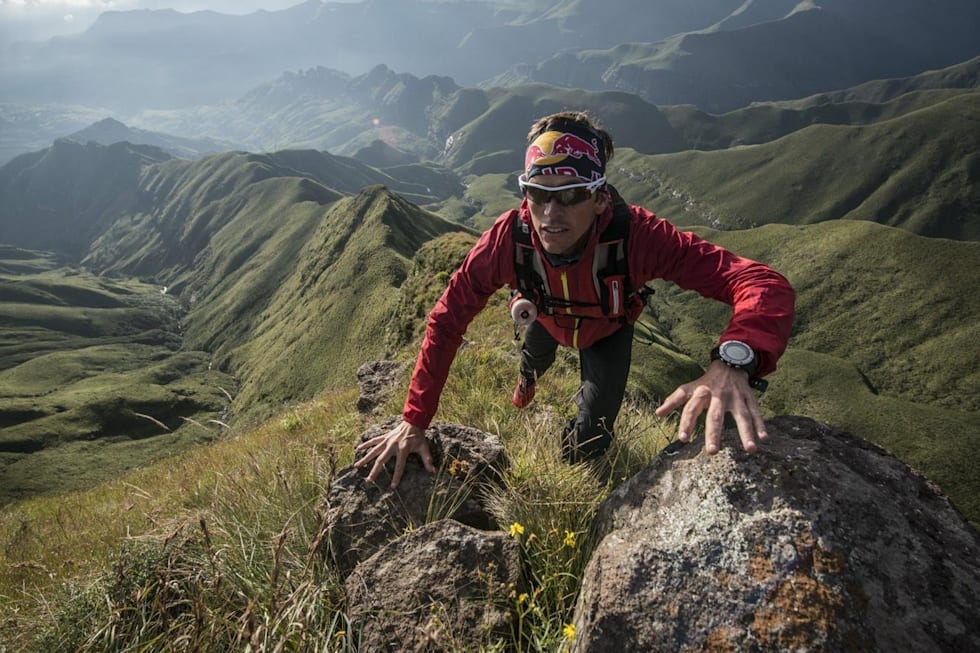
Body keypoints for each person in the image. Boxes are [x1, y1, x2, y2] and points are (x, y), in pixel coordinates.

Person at [355, 110, 795, 488]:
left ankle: (567, 469)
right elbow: (446, 320)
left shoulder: (637, 237)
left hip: (607, 332)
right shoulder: (509, 239)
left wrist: (734, 360)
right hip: (544, 318)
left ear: (601, 197)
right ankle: (525, 388)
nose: (551, 214)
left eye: (572, 195)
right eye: (539, 194)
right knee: (532, 363)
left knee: (595, 432)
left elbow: (762, 283)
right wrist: (414, 421)